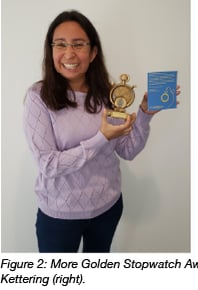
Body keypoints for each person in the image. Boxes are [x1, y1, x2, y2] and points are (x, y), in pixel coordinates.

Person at [23, 10, 179, 252]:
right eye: (60, 44)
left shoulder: (108, 93)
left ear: (93, 52)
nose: (69, 53)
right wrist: (101, 137)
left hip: (107, 207)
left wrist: (145, 114)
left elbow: (127, 150)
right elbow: (48, 164)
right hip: (59, 214)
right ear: (51, 50)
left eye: (78, 44)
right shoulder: (38, 97)